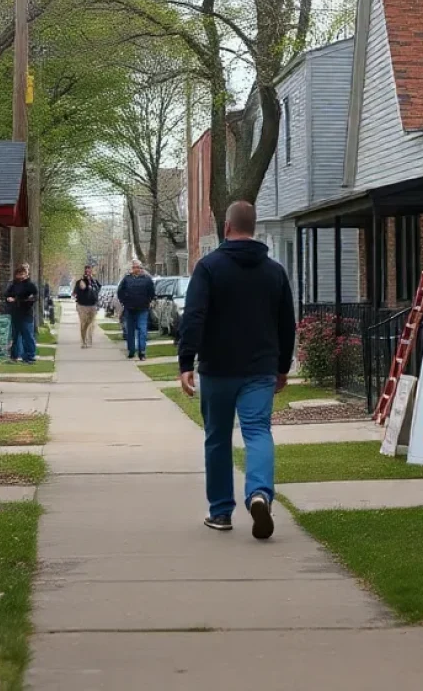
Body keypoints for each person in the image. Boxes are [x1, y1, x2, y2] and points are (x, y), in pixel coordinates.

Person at [178, 201, 295, 540]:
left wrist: (187, 361)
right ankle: (259, 493)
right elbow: (286, 323)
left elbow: (194, 316)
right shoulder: (274, 271)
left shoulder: (209, 267)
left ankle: (220, 512)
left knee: (217, 438)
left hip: (217, 368)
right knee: (257, 431)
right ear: (254, 228)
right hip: (260, 368)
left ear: (226, 227)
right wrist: (282, 366)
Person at [116, 259, 155, 360]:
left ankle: (142, 352)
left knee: (142, 330)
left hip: (143, 309)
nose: (136, 269)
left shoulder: (147, 279)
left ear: (141, 268)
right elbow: (120, 291)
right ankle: (132, 350)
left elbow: (152, 292)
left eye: (138, 267)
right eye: (134, 267)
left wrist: (149, 301)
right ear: (132, 268)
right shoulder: (127, 279)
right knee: (130, 331)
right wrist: (124, 301)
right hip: (130, 309)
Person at [5, 263, 38, 364]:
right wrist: (8, 299)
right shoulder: (13, 285)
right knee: (15, 336)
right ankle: (15, 356)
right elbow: (7, 295)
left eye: (23, 274)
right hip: (15, 314)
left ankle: (29, 357)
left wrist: (17, 300)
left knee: (28, 336)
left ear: (27, 274)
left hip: (26, 314)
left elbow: (34, 298)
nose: (21, 276)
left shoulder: (30, 285)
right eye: (19, 274)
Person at [73, 265, 101, 348]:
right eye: (86, 271)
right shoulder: (80, 282)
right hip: (82, 306)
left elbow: (98, 290)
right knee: (83, 323)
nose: (88, 273)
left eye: (89, 271)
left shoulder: (95, 282)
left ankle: (89, 340)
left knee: (91, 323)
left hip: (92, 305)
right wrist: (81, 288)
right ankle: (83, 341)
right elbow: (75, 293)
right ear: (84, 272)